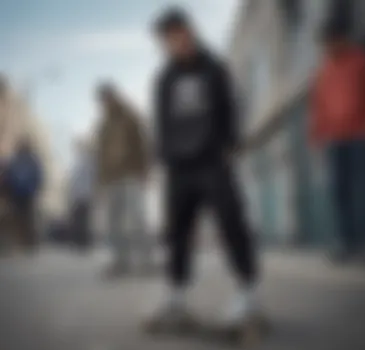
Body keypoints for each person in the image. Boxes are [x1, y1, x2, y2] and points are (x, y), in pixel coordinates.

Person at [146, 9, 259, 326]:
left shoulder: (215, 68)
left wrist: (232, 147)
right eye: (168, 38)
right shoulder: (164, 79)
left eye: (180, 34)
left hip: (212, 161)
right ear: (164, 43)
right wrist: (163, 160)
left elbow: (231, 108)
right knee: (177, 232)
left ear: (191, 32)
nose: (176, 42)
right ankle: (176, 295)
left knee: (231, 222)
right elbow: (162, 123)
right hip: (179, 167)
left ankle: (248, 291)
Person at [310, 22, 365, 263]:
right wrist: (317, 138)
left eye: (331, 41)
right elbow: (318, 107)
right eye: (325, 44)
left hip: (363, 134)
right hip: (335, 139)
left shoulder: (361, 61)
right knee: (341, 192)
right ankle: (347, 243)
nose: (328, 47)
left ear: (341, 39)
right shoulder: (324, 70)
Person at [95, 83, 150, 277]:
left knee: (137, 218)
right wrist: (100, 182)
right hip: (111, 178)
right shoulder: (103, 125)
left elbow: (142, 143)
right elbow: (100, 155)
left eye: (107, 98)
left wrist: (144, 171)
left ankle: (146, 261)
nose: (105, 103)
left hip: (131, 173)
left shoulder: (129, 116)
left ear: (114, 97)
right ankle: (120, 262)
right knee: (114, 222)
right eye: (102, 100)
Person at [6, 139, 43, 252]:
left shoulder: (31, 160)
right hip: (16, 193)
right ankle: (20, 241)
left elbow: (37, 175)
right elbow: (10, 174)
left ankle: (28, 242)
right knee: (18, 217)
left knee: (27, 217)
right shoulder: (16, 159)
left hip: (27, 192)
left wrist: (35, 188)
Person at [68, 137, 95, 250]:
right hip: (79, 195)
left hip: (85, 195)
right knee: (79, 218)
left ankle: (83, 241)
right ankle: (79, 241)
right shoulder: (79, 161)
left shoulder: (88, 161)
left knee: (83, 219)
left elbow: (90, 179)